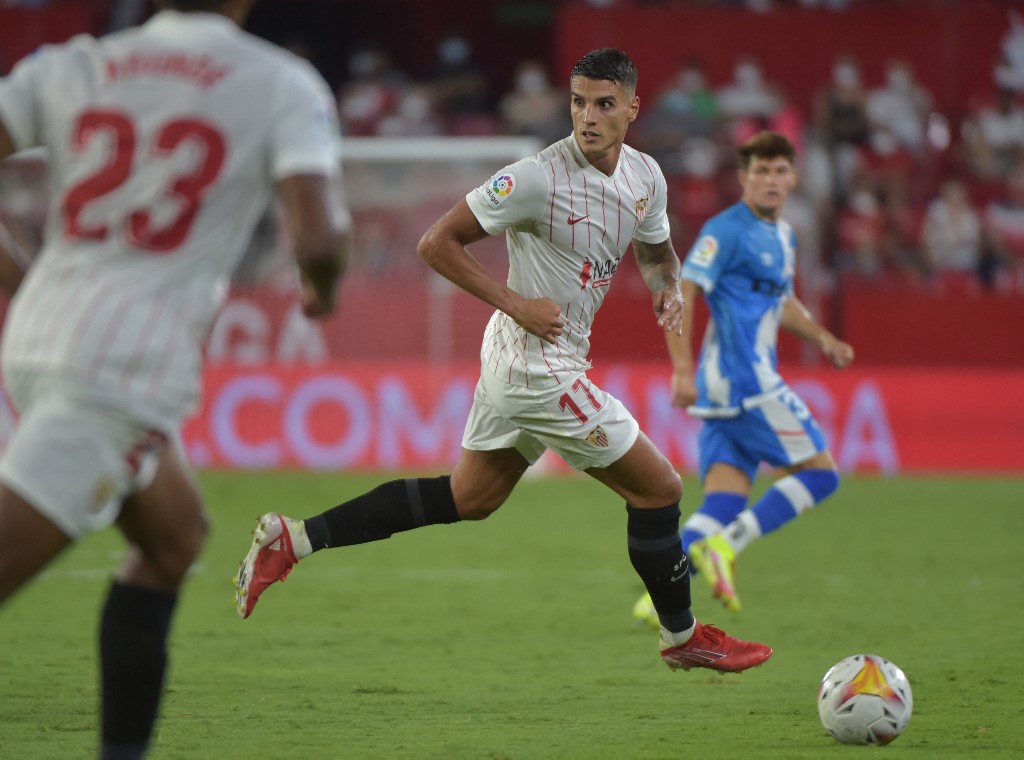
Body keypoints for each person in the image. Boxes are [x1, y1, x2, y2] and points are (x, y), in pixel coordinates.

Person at [235, 48, 772, 676]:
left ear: (632, 106)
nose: (588, 117)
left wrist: (663, 286)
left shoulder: (645, 176)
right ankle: (682, 637)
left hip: (537, 355)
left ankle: (291, 540)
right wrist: (516, 302)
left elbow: (656, 251)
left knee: (473, 497)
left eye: (603, 104)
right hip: (535, 366)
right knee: (660, 490)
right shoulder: (537, 178)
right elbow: (436, 243)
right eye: (578, 102)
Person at [0, 2, 351, 758]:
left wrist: (19, 276)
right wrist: (322, 285)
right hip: (122, 366)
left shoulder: (74, 63)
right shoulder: (280, 82)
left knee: (174, 536)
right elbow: (320, 234)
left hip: (37, 334)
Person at [633, 132, 853, 625]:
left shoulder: (782, 236)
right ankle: (726, 548)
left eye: (779, 171)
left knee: (725, 500)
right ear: (743, 179)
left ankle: (657, 599)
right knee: (821, 475)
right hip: (745, 382)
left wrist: (823, 338)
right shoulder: (726, 231)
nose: (771, 181)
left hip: (724, 393)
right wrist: (682, 369)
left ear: (793, 177)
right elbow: (681, 293)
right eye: (760, 172)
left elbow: (782, 301)